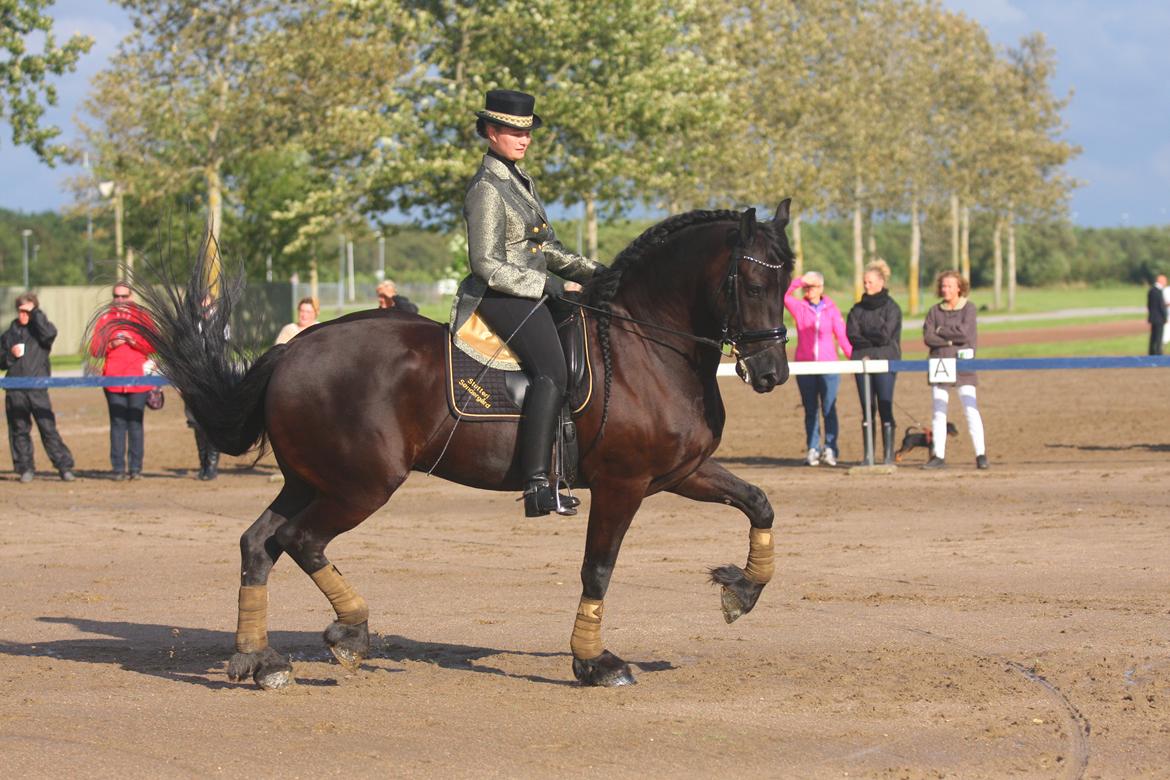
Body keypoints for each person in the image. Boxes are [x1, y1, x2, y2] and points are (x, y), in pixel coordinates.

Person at [452, 88, 604, 517]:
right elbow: (485, 263)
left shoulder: (520, 181)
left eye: (528, 132)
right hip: (499, 295)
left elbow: (548, 249)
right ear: (489, 132)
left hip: (527, 286)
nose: (523, 139)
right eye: (513, 131)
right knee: (552, 371)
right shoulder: (486, 188)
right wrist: (545, 287)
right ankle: (537, 482)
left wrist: (602, 273)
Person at [1, 293, 75, 482]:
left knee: (48, 428)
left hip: (37, 389)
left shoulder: (41, 333)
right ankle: (25, 468)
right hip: (15, 390)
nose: (24, 314)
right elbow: (1, 361)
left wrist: (35, 313)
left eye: (29, 311)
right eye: (21, 310)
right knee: (19, 430)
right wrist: (10, 354)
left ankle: (64, 466)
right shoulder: (9, 334)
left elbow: (50, 333)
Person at [784, 271, 852, 466]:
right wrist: (800, 281)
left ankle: (830, 447)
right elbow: (782, 295)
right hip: (805, 366)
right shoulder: (799, 307)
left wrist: (853, 358)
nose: (808, 289)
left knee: (829, 408)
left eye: (812, 286)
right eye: (807, 286)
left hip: (829, 366)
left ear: (821, 288)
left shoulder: (832, 309)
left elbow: (842, 336)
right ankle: (813, 447)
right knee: (810, 409)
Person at [922, 270, 988, 470]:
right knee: (939, 411)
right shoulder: (934, 311)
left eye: (950, 286)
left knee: (970, 409)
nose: (945, 289)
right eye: (943, 286)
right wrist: (950, 337)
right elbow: (928, 337)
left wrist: (942, 333)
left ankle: (981, 454)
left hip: (963, 365)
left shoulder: (969, 309)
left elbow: (965, 334)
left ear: (959, 287)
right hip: (940, 363)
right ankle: (938, 455)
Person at [89, 282, 156, 480]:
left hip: (138, 378)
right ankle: (118, 468)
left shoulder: (142, 317)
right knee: (117, 423)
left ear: (131, 297)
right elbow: (95, 349)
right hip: (113, 378)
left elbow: (154, 345)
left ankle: (136, 468)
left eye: (124, 296)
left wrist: (134, 342)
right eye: (116, 296)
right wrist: (111, 344)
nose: (120, 300)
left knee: (135, 423)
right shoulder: (105, 318)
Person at [846, 259, 902, 464]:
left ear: (880, 282)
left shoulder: (892, 308)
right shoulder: (856, 309)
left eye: (869, 282)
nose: (866, 286)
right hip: (862, 362)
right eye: (864, 282)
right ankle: (868, 455)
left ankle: (888, 456)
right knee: (867, 408)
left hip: (885, 361)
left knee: (885, 407)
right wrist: (871, 338)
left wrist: (867, 338)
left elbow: (886, 336)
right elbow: (852, 335)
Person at [1146, 274, 1166, 356]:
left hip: (1153, 317)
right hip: (1159, 318)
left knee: (1153, 336)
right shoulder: (1158, 291)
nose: (1166, 283)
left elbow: (1149, 305)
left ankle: (1151, 352)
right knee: (1158, 336)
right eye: (1165, 281)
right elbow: (1161, 306)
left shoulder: (1151, 290)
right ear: (1160, 281)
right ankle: (1158, 353)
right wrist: (1165, 316)